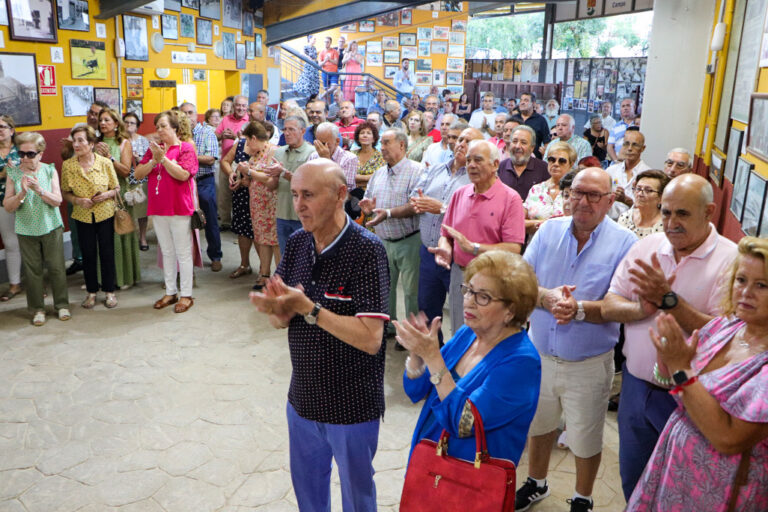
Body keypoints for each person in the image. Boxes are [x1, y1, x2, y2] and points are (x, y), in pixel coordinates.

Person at [249, 159, 390, 512]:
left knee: (357, 497)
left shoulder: (367, 250)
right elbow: (283, 319)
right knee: (308, 494)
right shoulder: (297, 243)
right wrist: (276, 309)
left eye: (308, 195)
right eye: (295, 194)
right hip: (303, 399)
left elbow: (372, 338)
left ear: (341, 194)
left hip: (352, 405)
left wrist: (309, 308)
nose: (299, 205)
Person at [600, 174, 738, 500]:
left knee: (679, 488)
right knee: (633, 479)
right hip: (636, 389)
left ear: (709, 211)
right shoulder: (646, 247)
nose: (671, 223)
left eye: (682, 214)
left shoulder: (732, 261)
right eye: (665, 212)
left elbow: (727, 337)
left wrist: (670, 301)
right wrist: (641, 308)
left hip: (690, 399)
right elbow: (609, 303)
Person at [516, 168, 638, 512]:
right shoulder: (548, 231)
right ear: (567, 195)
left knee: (585, 437)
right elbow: (522, 282)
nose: (583, 201)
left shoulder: (626, 243)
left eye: (594, 195)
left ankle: (582, 498)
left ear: (610, 201)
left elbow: (624, 305)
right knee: (539, 426)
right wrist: (548, 298)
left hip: (588, 362)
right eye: (577, 193)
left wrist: (579, 309)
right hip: (539, 354)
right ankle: (536, 483)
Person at [626, 236, 768, 511]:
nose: (746, 292)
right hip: (675, 468)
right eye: (741, 280)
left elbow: (728, 439)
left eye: (762, 285)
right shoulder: (725, 327)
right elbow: (677, 385)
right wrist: (666, 363)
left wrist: (681, 369)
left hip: (721, 489)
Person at [398, 250, 541, 467]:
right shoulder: (468, 333)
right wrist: (417, 355)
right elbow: (416, 390)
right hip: (429, 463)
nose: (469, 302)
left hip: (469, 481)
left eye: (483, 296)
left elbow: (464, 423)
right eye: (469, 291)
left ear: (510, 310)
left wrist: (433, 356)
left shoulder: (522, 362)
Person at [432, 139, 525, 335]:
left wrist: (473, 247)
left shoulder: (510, 198)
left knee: (487, 334)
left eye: (478, 160)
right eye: (468, 160)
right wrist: (446, 248)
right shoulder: (459, 194)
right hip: (460, 274)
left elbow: (514, 248)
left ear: (495, 164)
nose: (471, 165)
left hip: (493, 277)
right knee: (460, 330)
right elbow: (446, 234)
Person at [410, 126, 482, 342]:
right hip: (428, 252)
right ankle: (435, 353)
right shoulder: (436, 169)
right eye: (460, 138)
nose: (461, 143)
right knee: (427, 308)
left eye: (468, 141)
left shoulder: (476, 179)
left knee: (462, 311)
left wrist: (440, 207)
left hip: (458, 258)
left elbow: (473, 215)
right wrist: (418, 202)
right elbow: (416, 195)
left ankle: (461, 358)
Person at [360, 128, 423, 341]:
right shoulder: (379, 173)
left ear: (402, 145)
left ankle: (412, 334)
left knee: (411, 292)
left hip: (409, 241)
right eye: (382, 144)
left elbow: (415, 206)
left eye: (387, 143)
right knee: (385, 287)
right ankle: (389, 327)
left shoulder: (417, 171)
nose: (382, 148)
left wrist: (386, 213)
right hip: (383, 241)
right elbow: (369, 199)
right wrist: (368, 207)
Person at [134, 110, 199, 314]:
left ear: (175, 128)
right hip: (158, 207)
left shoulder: (185, 148)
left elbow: (183, 175)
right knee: (167, 251)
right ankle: (171, 292)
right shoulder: (154, 150)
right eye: (158, 126)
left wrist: (163, 160)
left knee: (183, 252)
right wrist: (154, 160)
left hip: (179, 207)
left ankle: (186, 294)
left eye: (163, 126)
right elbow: (138, 174)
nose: (159, 130)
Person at [3, 132, 68, 325]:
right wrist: (22, 192)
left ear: (40, 154)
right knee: (33, 272)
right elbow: (8, 206)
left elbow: (57, 201)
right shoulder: (13, 173)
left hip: (51, 227)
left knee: (57, 268)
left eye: (30, 154)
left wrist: (39, 190)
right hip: (26, 229)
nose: (24, 158)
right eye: (21, 154)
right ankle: (37, 308)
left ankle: (62, 305)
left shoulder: (49, 170)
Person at [60, 124, 121, 310]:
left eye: (81, 141)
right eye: (74, 141)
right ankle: (91, 292)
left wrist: (106, 195)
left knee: (107, 253)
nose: (77, 145)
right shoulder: (68, 165)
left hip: (105, 213)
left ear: (91, 143)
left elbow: (116, 188)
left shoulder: (105, 163)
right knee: (87, 254)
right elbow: (65, 192)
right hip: (82, 215)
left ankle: (109, 291)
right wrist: (77, 200)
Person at [96, 109, 141, 290]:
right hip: (99, 194)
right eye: (101, 120)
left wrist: (109, 157)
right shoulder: (96, 143)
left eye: (107, 120)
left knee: (120, 233)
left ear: (116, 123)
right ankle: (106, 277)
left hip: (118, 193)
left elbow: (125, 171)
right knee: (103, 237)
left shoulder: (124, 143)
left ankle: (124, 277)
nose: (103, 123)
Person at [181, 102, 222, 272]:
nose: (187, 116)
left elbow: (211, 158)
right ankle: (186, 258)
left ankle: (215, 256)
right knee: (184, 222)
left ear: (196, 114)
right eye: (184, 113)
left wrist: (188, 155)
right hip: (183, 183)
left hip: (204, 181)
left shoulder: (207, 132)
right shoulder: (179, 135)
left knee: (210, 219)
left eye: (190, 112)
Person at [269, 116, 315, 255]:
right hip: (282, 213)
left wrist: (283, 172)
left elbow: (309, 185)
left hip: (302, 215)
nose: (287, 133)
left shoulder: (311, 153)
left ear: (302, 131)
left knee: (303, 256)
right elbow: (272, 185)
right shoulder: (279, 152)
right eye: (285, 129)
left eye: (291, 130)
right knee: (285, 255)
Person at [242, 121, 279, 288]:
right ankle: (264, 273)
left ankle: (280, 276)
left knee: (275, 240)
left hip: (271, 203)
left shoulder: (274, 152)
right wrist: (243, 177)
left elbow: (270, 179)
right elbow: (252, 179)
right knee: (262, 239)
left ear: (254, 138)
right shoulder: (255, 155)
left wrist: (249, 172)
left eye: (248, 140)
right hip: (257, 203)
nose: (248, 145)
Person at [523, 141, 575, 234]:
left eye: (562, 161)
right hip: (536, 244)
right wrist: (541, 223)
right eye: (552, 159)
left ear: (571, 164)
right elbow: (518, 222)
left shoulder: (575, 191)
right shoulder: (536, 189)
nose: (556, 164)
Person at [605, 129, 651, 220]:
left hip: (635, 222)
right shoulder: (611, 171)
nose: (630, 148)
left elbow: (649, 208)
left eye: (635, 145)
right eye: (626, 144)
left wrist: (626, 200)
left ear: (643, 148)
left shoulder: (648, 175)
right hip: (609, 220)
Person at [0, 115, 22, 301]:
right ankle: (14, 285)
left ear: (12, 130)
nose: (0, 130)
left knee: (31, 243)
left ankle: (36, 284)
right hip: (2, 203)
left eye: (3, 127)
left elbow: (34, 169)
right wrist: (4, 173)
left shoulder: (22, 149)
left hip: (24, 202)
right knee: (10, 243)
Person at [497, 125, 549, 201]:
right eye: (514, 141)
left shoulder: (544, 169)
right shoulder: (500, 168)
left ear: (532, 148)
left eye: (523, 142)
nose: (518, 146)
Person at [123, 112, 151, 251]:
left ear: (137, 126)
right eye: (126, 122)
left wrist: (138, 158)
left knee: (141, 211)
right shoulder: (119, 141)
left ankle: (143, 238)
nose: (129, 125)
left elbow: (148, 161)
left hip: (140, 180)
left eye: (132, 123)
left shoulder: (143, 141)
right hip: (124, 181)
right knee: (126, 211)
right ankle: (130, 238)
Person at [617, 169, 669, 238]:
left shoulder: (666, 225)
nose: (640, 194)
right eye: (638, 189)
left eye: (648, 190)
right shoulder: (625, 218)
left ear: (661, 197)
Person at [308, 122, 358, 191]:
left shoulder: (349, 158)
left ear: (337, 141)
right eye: (317, 142)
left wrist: (326, 160)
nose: (321, 147)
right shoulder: (313, 156)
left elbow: (344, 189)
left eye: (324, 143)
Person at [352, 121, 385, 190]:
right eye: (362, 133)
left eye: (369, 133)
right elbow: (347, 176)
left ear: (374, 138)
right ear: (358, 138)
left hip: (374, 191)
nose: (365, 135)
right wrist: (368, 178)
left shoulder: (381, 156)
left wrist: (358, 180)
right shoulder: (351, 155)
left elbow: (380, 178)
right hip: (353, 193)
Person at [518, 92, 551, 159]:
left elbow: (547, 142)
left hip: (534, 159)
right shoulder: (514, 118)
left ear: (533, 103)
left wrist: (546, 154)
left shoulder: (541, 120)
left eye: (526, 100)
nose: (522, 102)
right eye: (521, 100)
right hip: (515, 157)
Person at [607, 98, 638, 162]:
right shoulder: (616, 126)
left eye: (628, 105)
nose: (625, 108)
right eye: (623, 106)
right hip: (618, 163)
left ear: (634, 107)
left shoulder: (639, 124)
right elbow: (610, 147)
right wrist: (616, 162)